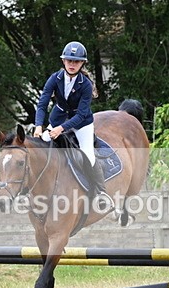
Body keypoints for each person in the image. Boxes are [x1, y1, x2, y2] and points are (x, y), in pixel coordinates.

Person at [33, 41, 113, 210]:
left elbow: (81, 115)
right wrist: (39, 125)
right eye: (69, 60)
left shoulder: (86, 85)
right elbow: (42, 104)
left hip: (81, 123)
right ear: (63, 61)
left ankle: (101, 192)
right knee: (41, 144)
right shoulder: (54, 79)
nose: (72, 64)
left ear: (82, 63)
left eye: (76, 61)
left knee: (88, 154)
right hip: (58, 118)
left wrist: (61, 129)